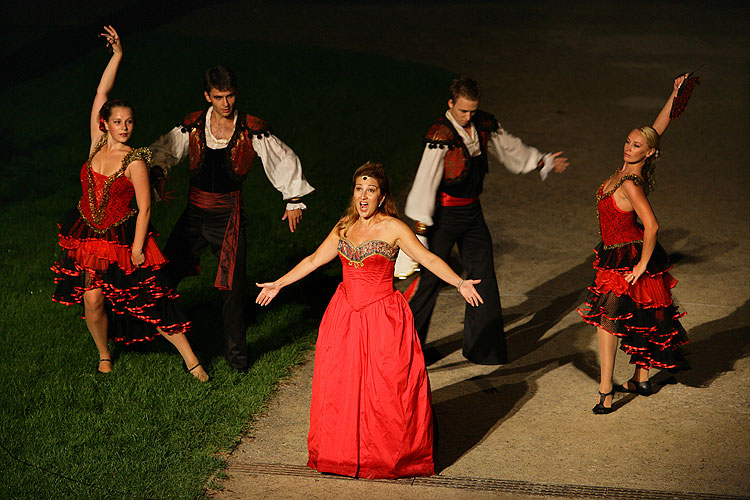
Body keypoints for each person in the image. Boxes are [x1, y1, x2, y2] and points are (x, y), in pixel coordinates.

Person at [256, 162, 483, 479]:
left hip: (382, 317)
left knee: (384, 389)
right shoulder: (344, 227)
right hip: (345, 316)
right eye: (359, 189)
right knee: (341, 386)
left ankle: (386, 455)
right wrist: (279, 283)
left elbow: (427, 258)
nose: (363, 196)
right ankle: (341, 455)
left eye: (371, 190)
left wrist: (459, 283)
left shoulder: (394, 228)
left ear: (382, 196)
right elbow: (313, 260)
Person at [51, 26, 209, 381]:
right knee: (92, 300)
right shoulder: (95, 143)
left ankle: (191, 360)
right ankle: (104, 354)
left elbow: (145, 208)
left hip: (124, 238)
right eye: (117, 122)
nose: (124, 127)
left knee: (149, 298)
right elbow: (101, 91)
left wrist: (138, 247)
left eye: (129, 122)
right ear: (104, 124)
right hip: (89, 234)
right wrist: (117, 56)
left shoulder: (135, 160)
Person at [149, 65, 314, 373]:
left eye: (230, 96)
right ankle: (159, 333)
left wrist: (293, 199)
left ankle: (237, 362)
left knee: (231, 291)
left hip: (228, 218)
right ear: (207, 96)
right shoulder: (195, 125)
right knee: (162, 275)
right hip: (194, 215)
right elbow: (165, 150)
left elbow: (283, 158)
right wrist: (158, 173)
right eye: (218, 97)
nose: (225, 103)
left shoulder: (250, 129)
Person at [397, 76, 568, 365]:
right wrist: (421, 229)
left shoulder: (483, 125)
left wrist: (541, 161)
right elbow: (425, 182)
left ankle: (483, 348)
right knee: (429, 281)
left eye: (472, 111)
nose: (468, 117)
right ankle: (406, 352)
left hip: (472, 214)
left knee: (483, 277)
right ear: (451, 104)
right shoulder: (441, 135)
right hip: (443, 217)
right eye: (463, 111)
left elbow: (511, 148)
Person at [578, 75, 691, 414]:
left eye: (636, 146)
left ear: (650, 153)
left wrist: (641, 265)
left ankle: (605, 390)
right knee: (645, 317)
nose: (629, 147)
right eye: (628, 141)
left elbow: (653, 224)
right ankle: (641, 378)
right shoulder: (627, 168)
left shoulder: (630, 183)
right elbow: (655, 130)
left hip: (628, 256)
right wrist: (674, 95)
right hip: (620, 252)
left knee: (607, 320)